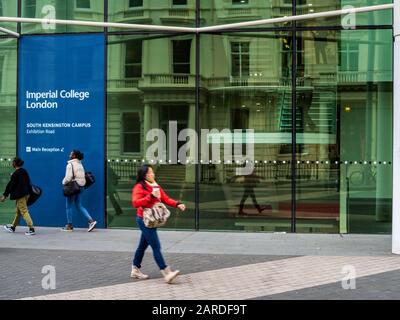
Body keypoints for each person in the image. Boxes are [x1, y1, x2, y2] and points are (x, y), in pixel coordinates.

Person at [131, 164, 186, 284]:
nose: (153, 174)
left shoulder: (155, 185)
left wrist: (177, 204)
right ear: (145, 175)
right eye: (150, 172)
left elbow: (165, 198)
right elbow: (135, 203)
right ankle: (167, 273)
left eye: (153, 172)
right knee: (156, 246)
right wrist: (150, 196)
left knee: (142, 246)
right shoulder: (139, 187)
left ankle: (135, 269)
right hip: (144, 220)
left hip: (153, 219)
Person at [61, 150, 97, 232]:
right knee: (79, 205)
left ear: (74, 156)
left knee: (69, 206)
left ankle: (69, 225)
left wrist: (63, 182)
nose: (69, 154)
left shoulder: (70, 165)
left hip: (73, 188)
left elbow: (68, 178)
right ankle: (91, 221)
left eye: (71, 153)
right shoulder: (80, 164)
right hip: (81, 187)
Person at [1, 157, 36, 235]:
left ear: (15, 163)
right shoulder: (24, 171)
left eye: (13, 162)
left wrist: (5, 195)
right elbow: (28, 183)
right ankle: (13, 227)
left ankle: (31, 229)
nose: (12, 163)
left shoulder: (16, 173)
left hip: (21, 196)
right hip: (26, 194)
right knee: (18, 212)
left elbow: (10, 185)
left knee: (24, 211)